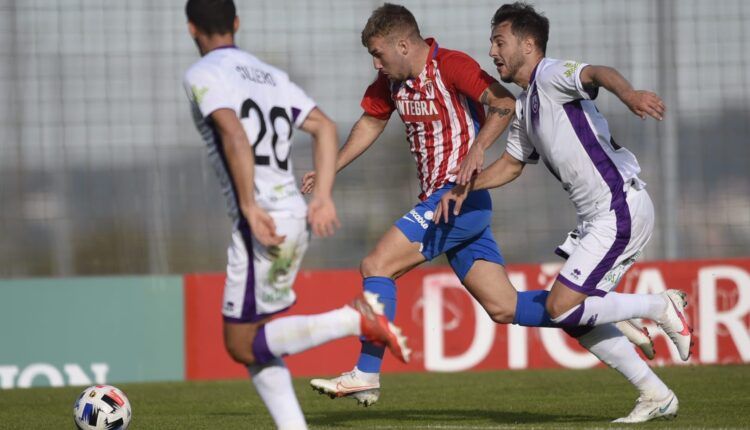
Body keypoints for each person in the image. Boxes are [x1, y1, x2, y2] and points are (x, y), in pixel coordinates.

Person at [303, 4, 670, 422]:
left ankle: (366, 373)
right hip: (451, 202)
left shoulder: (452, 65)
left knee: (376, 265)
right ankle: (607, 317)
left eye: (378, 53)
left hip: (456, 200)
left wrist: (476, 149)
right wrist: (330, 168)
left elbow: (502, 102)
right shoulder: (392, 83)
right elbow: (370, 122)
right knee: (504, 307)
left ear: (403, 44)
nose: (376, 62)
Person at [435, 2, 691, 422]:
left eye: (500, 42)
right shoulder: (524, 105)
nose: (493, 52)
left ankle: (658, 307)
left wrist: (627, 94)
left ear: (529, 44)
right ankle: (655, 394)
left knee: (563, 306)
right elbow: (512, 165)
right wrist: (463, 188)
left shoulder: (551, 75)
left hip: (618, 208)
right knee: (576, 318)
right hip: (597, 219)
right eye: (491, 44)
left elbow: (596, 73)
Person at [182, 1, 408, 428]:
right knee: (257, 344)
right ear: (236, 23)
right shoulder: (270, 75)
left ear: (192, 28)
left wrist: (248, 207)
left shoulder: (203, 74)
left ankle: (354, 318)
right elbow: (325, 126)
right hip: (293, 214)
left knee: (239, 344)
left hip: (262, 219)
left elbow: (233, 133)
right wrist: (322, 196)